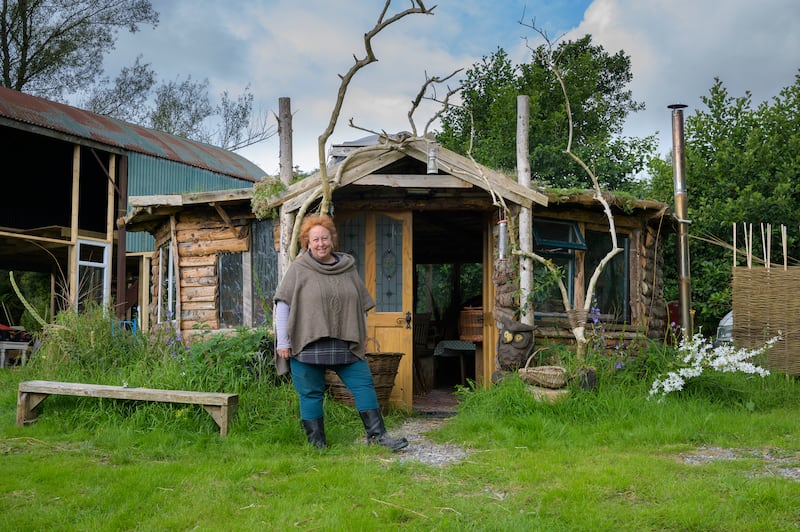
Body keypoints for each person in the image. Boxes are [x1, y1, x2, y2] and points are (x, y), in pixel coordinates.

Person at [274, 214, 408, 451]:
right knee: (311, 393)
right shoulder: (299, 268)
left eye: (324, 238)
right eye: (315, 240)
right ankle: (317, 445)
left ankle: (378, 437)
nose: (320, 244)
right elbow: (283, 304)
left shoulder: (348, 266)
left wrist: (362, 334)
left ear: (332, 239)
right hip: (307, 342)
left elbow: (359, 305)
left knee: (364, 384)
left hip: (345, 342)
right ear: (307, 242)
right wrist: (282, 342)